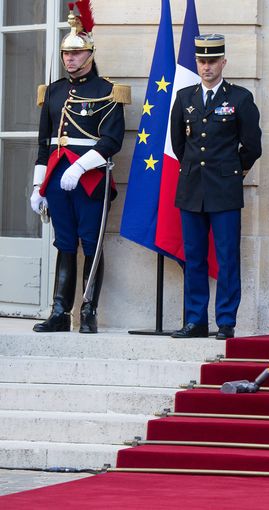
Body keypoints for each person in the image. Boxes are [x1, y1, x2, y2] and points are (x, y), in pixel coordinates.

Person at [30, 4, 128, 334]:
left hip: (90, 177)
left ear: (89, 54)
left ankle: (88, 310)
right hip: (58, 176)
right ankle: (60, 311)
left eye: (76, 53)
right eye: (66, 54)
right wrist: (37, 184)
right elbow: (44, 142)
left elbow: (112, 140)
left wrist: (82, 167)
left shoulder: (107, 91)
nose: (70, 59)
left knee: (90, 243)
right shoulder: (54, 91)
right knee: (65, 243)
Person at [169, 34, 262, 340]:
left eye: (212, 61)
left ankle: (225, 321)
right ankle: (195, 320)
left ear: (224, 62)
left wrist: (232, 173)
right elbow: (179, 145)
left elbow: (252, 146)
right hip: (192, 189)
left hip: (224, 190)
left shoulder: (240, 98)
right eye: (202, 61)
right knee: (193, 257)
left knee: (226, 257)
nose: (206, 67)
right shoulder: (184, 98)